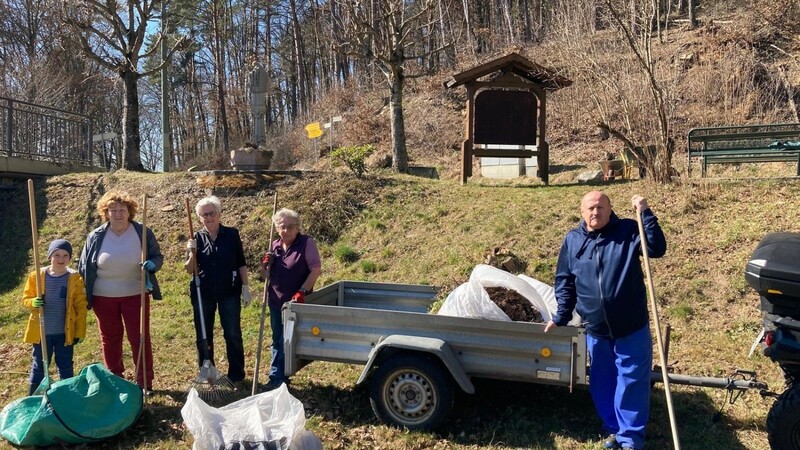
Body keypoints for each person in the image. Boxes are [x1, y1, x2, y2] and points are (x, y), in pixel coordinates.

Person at [544, 191, 666, 450]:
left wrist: (645, 213)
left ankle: (630, 437)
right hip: (596, 328)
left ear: (611, 209)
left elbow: (656, 248)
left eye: (601, 207)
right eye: (590, 208)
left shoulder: (628, 231)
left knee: (631, 380)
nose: (595, 212)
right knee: (603, 380)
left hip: (630, 324)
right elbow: (564, 280)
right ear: (582, 211)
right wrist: (562, 316)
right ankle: (613, 428)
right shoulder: (573, 240)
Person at [78, 191, 162, 392]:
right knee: (110, 338)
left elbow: (157, 256)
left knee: (140, 337)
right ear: (106, 212)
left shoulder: (142, 232)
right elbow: (83, 266)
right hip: (103, 296)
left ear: (130, 212)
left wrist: (153, 265)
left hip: (136, 294)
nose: (117, 214)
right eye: (112, 210)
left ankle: (144, 382)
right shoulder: (96, 236)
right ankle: (115, 380)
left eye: (122, 210)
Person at [185, 196, 250, 388]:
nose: (209, 217)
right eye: (204, 214)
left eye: (212, 213)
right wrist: (191, 253)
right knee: (203, 335)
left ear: (219, 214)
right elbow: (189, 269)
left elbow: (241, 262)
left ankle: (236, 374)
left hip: (229, 291)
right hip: (202, 292)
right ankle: (207, 371)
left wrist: (245, 287)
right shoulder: (195, 238)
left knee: (232, 333)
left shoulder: (231, 234)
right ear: (199, 218)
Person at [261, 208, 321, 391]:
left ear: (297, 228)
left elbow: (316, 269)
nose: (285, 230)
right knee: (277, 337)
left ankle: (279, 376)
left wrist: (302, 291)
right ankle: (277, 376)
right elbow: (266, 276)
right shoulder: (275, 246)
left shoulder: (306, 243)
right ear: (277, 228)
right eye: (281, 227)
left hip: (296, 302)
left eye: (290, 227)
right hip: (275, 300)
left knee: (287, 340)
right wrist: (265, 265)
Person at [22, 239, 88, 395]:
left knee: (65, 364)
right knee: (40, 364)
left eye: (65, 255)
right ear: (49, 256)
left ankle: (66, 395)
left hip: (64, 332)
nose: (61, 259)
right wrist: (33, 302)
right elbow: (25, 299)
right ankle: (33, 397)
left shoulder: (75, 278)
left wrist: (79, 331)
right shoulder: (36, 276)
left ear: (70, 258)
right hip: (41, 332)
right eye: (57, 255)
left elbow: (80, 308)